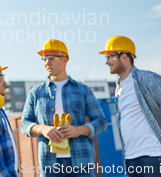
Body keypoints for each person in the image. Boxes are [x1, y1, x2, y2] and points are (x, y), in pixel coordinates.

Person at [99, 36, 161, 177]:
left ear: (124, 57)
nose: (107, 62)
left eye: (110, 57)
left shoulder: (147, 78)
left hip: (154, 157)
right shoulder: (119, 88)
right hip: (131, 159)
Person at [21, 39, 107, 177]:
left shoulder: (83, 90)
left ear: (65, 59)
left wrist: (79, 130)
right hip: (50, 165)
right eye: (44, 59)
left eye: (52, 58)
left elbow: (101, 122)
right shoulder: (35, 93)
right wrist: (43, 129)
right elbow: (24, 124)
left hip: (81, 163)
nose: (47, 63)